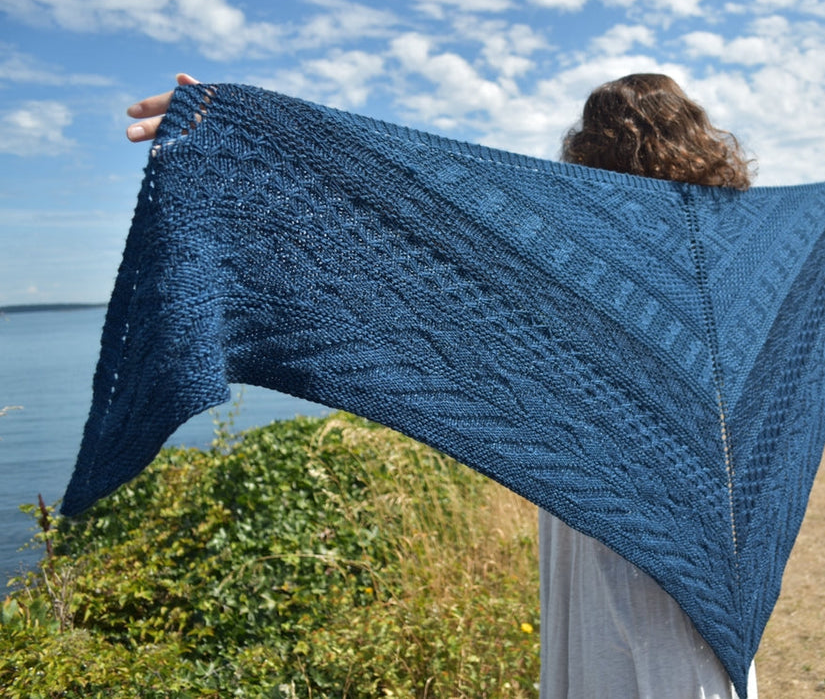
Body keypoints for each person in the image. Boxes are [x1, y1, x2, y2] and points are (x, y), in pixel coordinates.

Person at [126, 72, 759, 699]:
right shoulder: (738, 251)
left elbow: (392, 229)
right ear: (696, 134)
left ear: (592, 150)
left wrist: (240, 133)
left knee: (621, 656)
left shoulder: (575, 252)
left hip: (604, 513)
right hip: (701, 510)